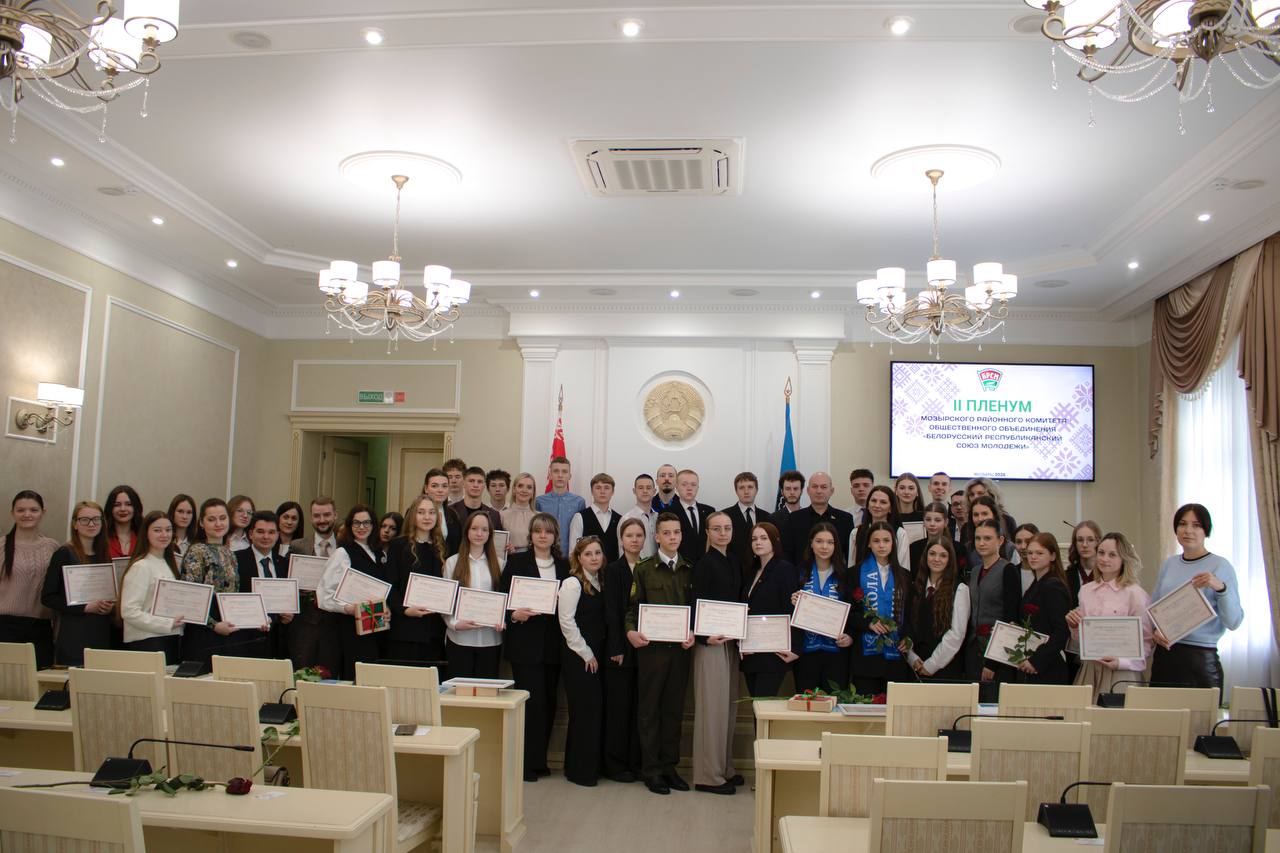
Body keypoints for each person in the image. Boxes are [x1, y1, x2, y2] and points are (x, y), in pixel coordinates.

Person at [625, 512, 696, 795]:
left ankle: (669, 767)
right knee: (650, 711)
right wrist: (630, 631)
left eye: (676, 532)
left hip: (680, 652)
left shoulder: (690, 569)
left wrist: (693, 632)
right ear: (656, 537)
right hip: (651, 652)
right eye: (666, 533)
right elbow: (632, 609)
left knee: (673, 711)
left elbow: (696, 610)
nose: (672, 537)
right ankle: (652, 770)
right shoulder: (644, 569)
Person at [500, 512, 569, 782]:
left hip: (553, 645)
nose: (543, 535)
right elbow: (502, 599)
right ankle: (524, 764)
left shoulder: (564, 566)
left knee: (549, 704)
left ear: (555, 536)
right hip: (525, 644)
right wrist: (514, 615)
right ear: (530, 535)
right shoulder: (517, 562)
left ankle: (540, 761)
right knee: (530, 705)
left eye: (548, 531)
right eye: (538, 531)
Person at [1149, 503, 1243, 696]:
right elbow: (1153, 608)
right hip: (1166, 655)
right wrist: (1154, 631)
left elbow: (1233, 622)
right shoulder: (1169, 564)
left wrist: (1221, 588)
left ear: (1206, 530)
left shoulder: (1220, 565)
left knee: (1201, 716)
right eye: (1182, 524)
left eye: (1196, 525)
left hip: (1200, 658)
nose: (1188, 530)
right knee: (1159, 713)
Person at [691, 512, 742, 796]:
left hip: (730, 642)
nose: (723, 533)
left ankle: (725, 768)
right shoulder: (704, 564)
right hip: (710, 643)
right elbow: (694, 603)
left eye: (727, 528)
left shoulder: (733, 560)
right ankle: (708, 776)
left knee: (727, 708)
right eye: (717, 529)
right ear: (708, 532)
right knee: (712, 710)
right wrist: (702, 637)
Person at [181, 498, 268, 666]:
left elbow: (235, 594)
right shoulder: (196, 551)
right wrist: (213, 625)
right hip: (204, 631)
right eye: (211, 519)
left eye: (222, 518)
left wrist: (257, 617)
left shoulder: (230, 553)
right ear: (201, 523)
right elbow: (191, 598)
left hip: (228, 628)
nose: (218, 524)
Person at [1068, 532, 1152, 695]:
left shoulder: (1135, 594)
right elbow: (1082, 641)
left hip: (1122, 673)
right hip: (1090, 669)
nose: (1104, 559)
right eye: (1101, 553)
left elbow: (1146, 642)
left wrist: (1122, 662)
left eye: (1112, 555)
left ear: (1123, 559)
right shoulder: (1085, 591)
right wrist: (1074, 626)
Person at [558, 536, 608, 787]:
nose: (594, 557)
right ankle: (580, 772)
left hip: (596, 655)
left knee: (592, 712)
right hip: (579, 657)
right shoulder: (572, 583)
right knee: (583, 712)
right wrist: (586, 653)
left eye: (597, 553)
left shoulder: (599, 580)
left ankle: (584, 766)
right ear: (578, 558)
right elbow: (567, 622)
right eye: (588, 554)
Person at [318, 504, 390, 679]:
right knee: (355, 675)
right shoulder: (342, 553)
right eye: (356, 523)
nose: (361, 527)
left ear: (373, 525)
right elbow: (324, 595)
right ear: (350, 526)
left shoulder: (379, 553)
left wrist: (386, 609)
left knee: (373, 677)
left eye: (366, 522)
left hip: (375, 627)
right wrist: (348, 608)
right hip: (349, 628)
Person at [43, 500, 113, 666]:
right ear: (75, 524)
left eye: (96, 519)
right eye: (84, 520)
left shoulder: (104, 555)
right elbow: (48, 597)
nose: (91, 524)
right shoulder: (64, 553)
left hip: (101, 631)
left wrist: (111, 606)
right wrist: (84, 607)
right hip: (74, 632)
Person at [602, 517, 645, 782]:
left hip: (643, 648)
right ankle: (615, 765)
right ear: (621, 540)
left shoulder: (648, 567)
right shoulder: (613, 570)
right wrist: (616, 646)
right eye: (629, 535)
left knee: (638, 710)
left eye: (639, 535)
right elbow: (611, 612)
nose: (634, 540)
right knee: (618, 710)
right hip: (619, 650)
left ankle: (635, 762)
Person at [848, 522, 912, 695]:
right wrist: (868, 623)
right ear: (869, 544)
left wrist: (908, 638)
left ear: (893, 544)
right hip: (865, 657)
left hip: (896, 656)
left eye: (886, 540)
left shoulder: (905, 576)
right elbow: (849, 612)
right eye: (876, 541)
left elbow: (911, 614)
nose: (882, 545)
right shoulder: (854, 573)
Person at [790, 522, 854, 694]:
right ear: (811, 543)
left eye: (830, 542)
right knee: (806, 702)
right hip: (806, 652)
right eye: (819, 541)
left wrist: (850, 636)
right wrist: (793, 602)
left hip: (837, 652)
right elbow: (789, 613)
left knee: (833, 702)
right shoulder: (798, 572)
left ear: (836, 545)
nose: (824, 547)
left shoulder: (846, 575)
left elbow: (854, 612)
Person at [442, 511, 505, 678]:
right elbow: (445, 601)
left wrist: (502, 620)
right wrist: (454, 624)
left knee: (486, 690)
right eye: (474, 528)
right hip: (459, 638)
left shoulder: (500, 564)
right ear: (466, 531)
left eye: (484, 529)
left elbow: (505, 599)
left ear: (490, 534)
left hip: (491, 639)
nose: (479, 533)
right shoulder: (452, 562)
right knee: (460, 690)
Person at [386, 494, 448, 663]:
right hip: (405, 628)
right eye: (421, 512)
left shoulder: (441, 547)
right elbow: (390, 584)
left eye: (431, 512)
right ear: (413, 515)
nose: (427, 517)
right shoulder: (398, 545)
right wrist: (405, 610)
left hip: (434, 630)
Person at [0, 490, 59, 667]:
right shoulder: (2, 546)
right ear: (12, 513)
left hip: (40, 627)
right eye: (21, 510)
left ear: (43, 513)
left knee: (38, 677)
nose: (27, 514)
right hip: (5, 626)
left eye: (33, 510)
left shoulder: (52, 547)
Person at [740, 521, 799, 697]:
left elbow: (792, 609)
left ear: (775, 541)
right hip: (751, 652)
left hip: (773, 653)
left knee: (764, 704)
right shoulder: (751, 570)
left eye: (764, 538)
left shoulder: (784, 569)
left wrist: (796, 647)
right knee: (755, 705)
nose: (758, 542)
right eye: (754, 539)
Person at [118, 511, 183, 663]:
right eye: (157, 530)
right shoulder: (141, 566)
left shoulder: (170, 564)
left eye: (168, 530)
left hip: (170, 638)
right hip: (147, 641)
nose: (164, 535)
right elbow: (129, 611)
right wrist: (166, 623)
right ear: (146, 534)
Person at [964, 519, 1023, 688]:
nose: (981, 543)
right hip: (973, 648)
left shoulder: (1008, 570)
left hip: (997, 653)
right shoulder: (975, 571)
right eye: (978, 538)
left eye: (987, 538)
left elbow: (1010, 617)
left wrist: (992, 662)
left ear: (1000, 540)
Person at [902, 537, 970, 680]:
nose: (936, 559)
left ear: (950, 560)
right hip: (915, 666)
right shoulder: (915, 588)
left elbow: (957, 634)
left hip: (944, 667)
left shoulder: (959, 589)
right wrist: (912, 658)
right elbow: (907, 624)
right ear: (925, 556)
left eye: (943, 555)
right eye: (932, 554)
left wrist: (932, 665)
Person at [1009, 532, 1072, 684]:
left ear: (1053, 556)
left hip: (1047, 666)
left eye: (1039, 553)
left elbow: (1061, 630)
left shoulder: (1053, 586)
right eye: (1030, 553)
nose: (1033, 557)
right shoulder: (1037, 583)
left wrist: (1037, 661)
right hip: (1032, 662)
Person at [286, 496, 339, 671]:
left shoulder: (345, 546)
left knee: (333, 675)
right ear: (310, 518)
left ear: (335, 515)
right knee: (302, 672)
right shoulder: (297, 546)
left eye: (327, 515)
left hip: (337, 624)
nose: (322, 520)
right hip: (305, 624)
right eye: (317, 515)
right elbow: (287, 584)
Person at [235, 511, 291, 658]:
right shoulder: (236, 560)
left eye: (271, 532)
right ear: (251, 534)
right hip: (246, 640)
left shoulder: (285, 564)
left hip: (277, 641)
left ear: (277, 535)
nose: (266, 537)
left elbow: (290, 599)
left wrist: (289, 615)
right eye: (260, 531)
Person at [782, 472, 854, 566]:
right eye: (815, 486)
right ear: (808, 490)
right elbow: (788, 554)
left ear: (831, 491)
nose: (819, 491)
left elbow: (850, 556)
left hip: (836, 574)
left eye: (823, 487)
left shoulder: (845, 519)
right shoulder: (794, 518)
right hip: (802, 573)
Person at [850, 485, 911, 571]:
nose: (877, 505)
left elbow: (904, 568)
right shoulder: (856, 532)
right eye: (873, 501)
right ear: (868, 505)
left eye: (883, 502)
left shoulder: (900, 533)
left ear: (890, 508)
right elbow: (851, 566)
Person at [723, 472, 772, 575]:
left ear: (756, 490)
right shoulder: (725, 516)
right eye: (741, 488)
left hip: (761, 571)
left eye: (750, 487)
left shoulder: (767, 517)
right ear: (736, 491)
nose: (746, 491)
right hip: (733, 571)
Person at [536, 456, 586, 553]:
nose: (560, 475)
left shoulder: (579, 502)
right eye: (556, 471)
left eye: (564, 472)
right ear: (550, 475)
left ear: (570, 476)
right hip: (545, 554)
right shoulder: (539, 502)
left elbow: (581, 533)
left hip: (570, 555)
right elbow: (535, 531)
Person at [569, 473, 622, 563]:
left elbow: (621, 551)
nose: (602, 491)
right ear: (592, 491)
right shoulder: (580, 517)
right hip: (587, 571)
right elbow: (573, 552)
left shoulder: (620, 519)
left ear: (612, 492)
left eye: (606, 488)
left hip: (613, 571)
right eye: (598, 488)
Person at [674, 469, 714, 563]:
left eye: (693, 484)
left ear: (698, 487)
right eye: (684, 484)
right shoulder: (668, 512)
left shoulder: (710, 511)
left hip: (706, 564)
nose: (689, 488)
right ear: (676, 487)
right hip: (680, 566)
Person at [452, 467, 504, 535]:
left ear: (484, 485)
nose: (475, 485)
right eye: (471, 481)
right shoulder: (451, 511)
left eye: (479, 482)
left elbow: (498, 540)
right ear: (463, 483)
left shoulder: (494, 515)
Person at [964, 479, 1017, 543]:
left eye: (980, 493)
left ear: (992, 495)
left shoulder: (1008, 521)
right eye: (972, 495)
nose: (975, 497)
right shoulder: (966, 527)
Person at [423, 468, 461, 557]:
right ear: (426, 489)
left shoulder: (453, 514)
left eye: (444, 486)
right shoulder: (414, 512)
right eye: (434, 486)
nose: (440, 490)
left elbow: (457, 545)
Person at [618, 474, 657, 559]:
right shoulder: (626, 519)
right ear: (634, 491)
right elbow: (622, 552)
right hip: (636, 566)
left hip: (658, 566)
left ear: (654, 491)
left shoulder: (658, 517)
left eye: (648, 488)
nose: (645, 491)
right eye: (640, 488)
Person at [908, 502, 952, 576]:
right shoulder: (914, 547)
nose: (932, 524)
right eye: (928, 519)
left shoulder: (956, 547)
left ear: (946, 522)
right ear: (923, 521)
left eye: (937, 520)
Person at [500, 472, 538, 555]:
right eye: (520, 486)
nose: (524, 490)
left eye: (529, 487)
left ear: (533, 492)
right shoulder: (501, 515)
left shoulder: (539, 517)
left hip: (533, 559)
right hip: (510, 560)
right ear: (514, 490)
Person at [1066, 520, 1102, 606]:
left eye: (1090, 540)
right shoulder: (1065, 577)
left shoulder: (1107, 576)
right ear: (1075, 543)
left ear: (1098, 542)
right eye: (1080, 540)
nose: (1085, 545)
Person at [104, 484, 142, 559]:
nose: (123, 509)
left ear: (136, 507)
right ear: (110, 508)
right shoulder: (101, 537)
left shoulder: (146, 536)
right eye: (117, 505)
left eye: (128, 504)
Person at [168, 494, 197, 561]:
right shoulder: (165, 539)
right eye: (180, 511)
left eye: (189, 512)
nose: (184, 517)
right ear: (172, 512)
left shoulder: (197, 543)